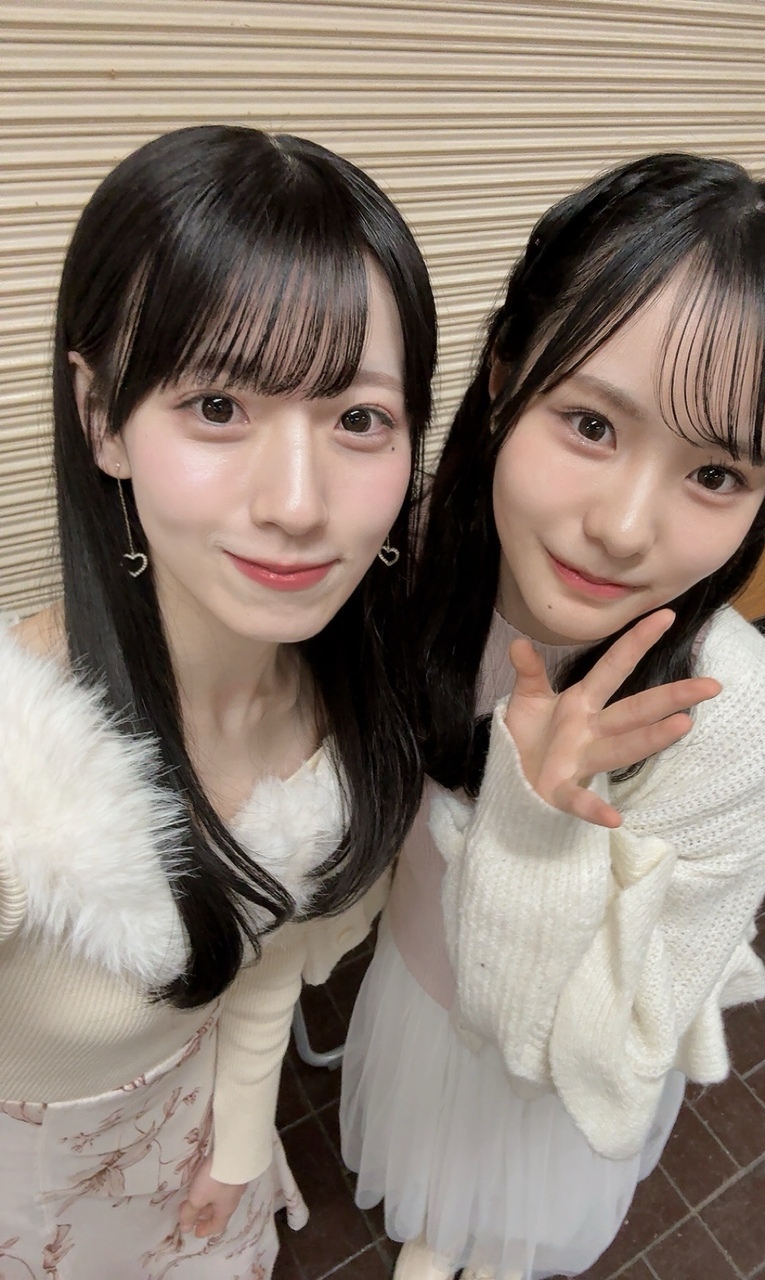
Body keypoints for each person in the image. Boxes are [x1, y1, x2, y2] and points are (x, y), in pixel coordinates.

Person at [341, 152, 765, 1280]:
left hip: (556, 1065)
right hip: (421, 993)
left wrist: (534, 823)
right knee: (431, 1190)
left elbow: (595, 1053)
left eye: (715, 474)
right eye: (590, 422)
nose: (623, 527)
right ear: (503, 375)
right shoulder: (409, 561)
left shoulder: (748, 727)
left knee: (507, 1218)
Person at [0, 124, 436, 1278]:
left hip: (190, 1154)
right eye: (217, 404)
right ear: (102, 417)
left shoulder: (344, 718)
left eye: (359, 418)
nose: (298, 503)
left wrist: (239, 1141)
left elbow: (269, 956)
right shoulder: (16, 777)